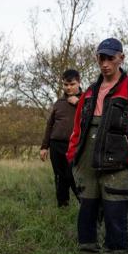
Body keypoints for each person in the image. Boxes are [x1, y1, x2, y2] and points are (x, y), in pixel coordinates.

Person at [66, 38, 128, 254]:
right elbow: (78, 128)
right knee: (87, 212)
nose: (105, 64)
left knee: (116, 212)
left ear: (121, 58)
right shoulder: (91, 92)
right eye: (101, 58)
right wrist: (72, 158)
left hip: (118, 162)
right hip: (86, 160)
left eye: (110, 58)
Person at [40, 69, 81, 207]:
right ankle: (63, 205)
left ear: (79, 83)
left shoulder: (87, 101)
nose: (68, 88)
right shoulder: (59, 103)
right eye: (65, 85)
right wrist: (44, 147)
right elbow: (50, 125)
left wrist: (79, 103)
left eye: (72, 84)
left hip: (75, 146)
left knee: (72, 176)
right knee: (59, 176)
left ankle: (86, 205)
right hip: (56, 145)